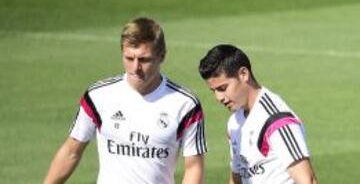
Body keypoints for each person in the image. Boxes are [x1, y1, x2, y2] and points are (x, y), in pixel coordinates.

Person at [43, 17, 207, 184]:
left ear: (162, 56)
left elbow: (194, 166)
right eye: (129, 58)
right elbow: (71, 152)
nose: (135, 68)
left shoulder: (185, 105)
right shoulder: (99, 96)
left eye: (144, 60)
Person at [198, 44, 317, 184]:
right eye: (214, 91)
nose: (219, 97)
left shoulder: (277, 121)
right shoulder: (235, 122)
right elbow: (237, 177)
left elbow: (307, 180)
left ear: (244, 74)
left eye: (222, 88)